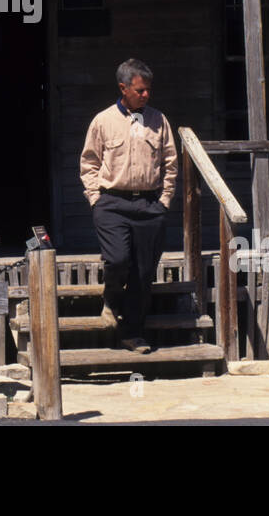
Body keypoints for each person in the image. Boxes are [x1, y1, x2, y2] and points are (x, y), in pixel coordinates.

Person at [78, 58, 178, 353]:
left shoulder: (159, 120)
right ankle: (111, 298)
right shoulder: (103, 121)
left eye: (148, 90)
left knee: (144, 272)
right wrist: (95, 199)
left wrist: (164, 200)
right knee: (119, 259)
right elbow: (89, 163)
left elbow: (170, 163)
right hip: (112, 203)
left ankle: (133, 333)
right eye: (140, 90)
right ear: (123, 88)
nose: (146, 95)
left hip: (149, 206)